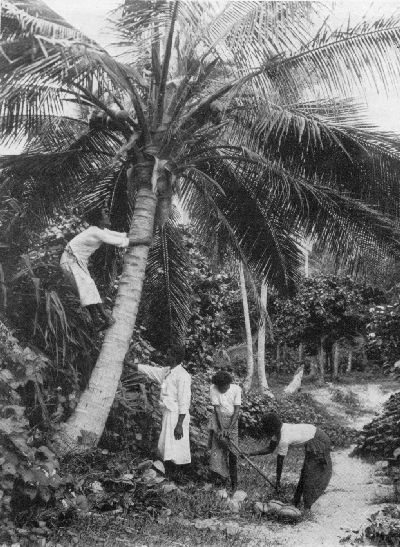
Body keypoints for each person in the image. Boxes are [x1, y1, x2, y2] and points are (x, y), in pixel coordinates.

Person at [60, 209, 148, 330]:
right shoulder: (96, 232)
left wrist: (137, 234)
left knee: (87, 288)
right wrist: (144, 241)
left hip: (75, 260)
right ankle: (104, 317)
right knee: (88, 285)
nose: (108, 216)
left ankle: (97, 320)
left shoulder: (101, 230)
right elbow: (120, 242)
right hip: (70, 260)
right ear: (99, 220)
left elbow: (121, 236)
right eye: (105, 215)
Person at [124, 345, 191, 480]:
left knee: (177, 445)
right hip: (168, 412)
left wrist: (179, 424)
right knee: (167, 444)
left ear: (175, 357)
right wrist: (128, 364)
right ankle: (169, 474)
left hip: (177, 414)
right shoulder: (166, 372)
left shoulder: (183, 376)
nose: (166, 357)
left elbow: (184, 401)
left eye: (169, 354)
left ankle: (179, 476)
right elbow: (149, 370)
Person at [246, 413, 332, 513]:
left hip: (319, 440)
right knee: (305, 471)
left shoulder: (284, 438)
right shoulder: (279, 431)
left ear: (272, 427)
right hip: (314, 436)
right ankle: (295, 501)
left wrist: (278, 483)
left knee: (311, 473)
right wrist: (250, 453)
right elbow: (270, 449)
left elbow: (280, 462)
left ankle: (307, 507)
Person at [208, 370, 241, 492]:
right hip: (218, 420)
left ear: (229, 384)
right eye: (220, 387)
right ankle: (219, 481)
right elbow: (217, 410)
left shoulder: (236, 389)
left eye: (225, 387)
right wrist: (222, 429)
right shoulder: (213, 388)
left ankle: (234, 484)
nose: (222, 389)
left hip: (233, 420)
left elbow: (237, 410)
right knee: (217, 451)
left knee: (233, 452)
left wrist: (229, 429)